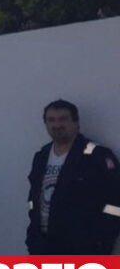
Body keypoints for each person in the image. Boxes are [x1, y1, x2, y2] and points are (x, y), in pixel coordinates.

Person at [26, 99, 120, 255]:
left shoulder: (97, 156)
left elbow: (115, 203)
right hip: (44, 247)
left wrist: (100, 241)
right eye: (51, 120)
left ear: (76, 122)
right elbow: (33, 200)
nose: (57, 125)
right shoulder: (41, 156)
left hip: (84, 250)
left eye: (63, 119)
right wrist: (33, 239)